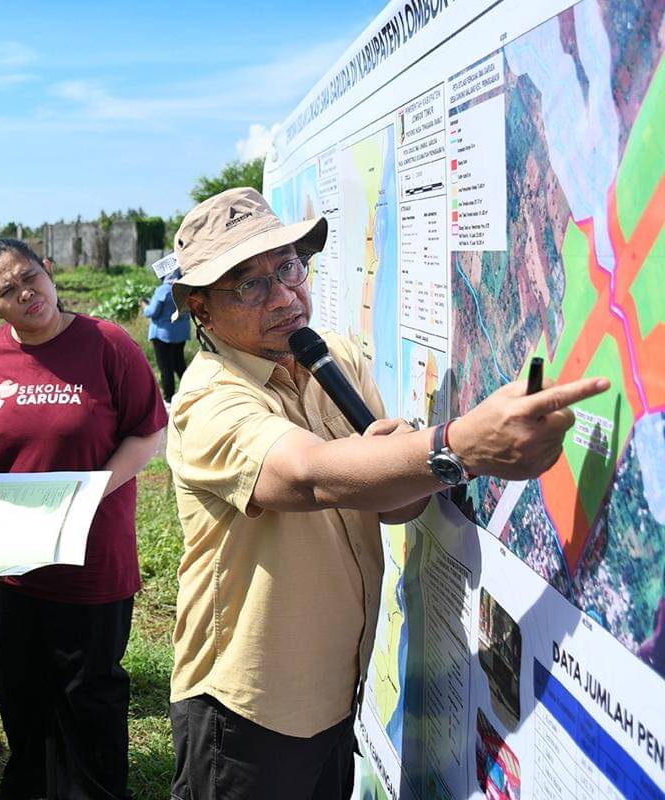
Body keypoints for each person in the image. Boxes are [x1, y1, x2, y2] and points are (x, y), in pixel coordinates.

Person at [165, 187, 609, 800]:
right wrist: (462, 445)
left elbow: (397, 503)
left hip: (336, 690)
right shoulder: (208, 399)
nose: (284, 296)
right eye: (248, 285)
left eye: (288, 266)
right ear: (202, 309)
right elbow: (308, 475)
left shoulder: (331, 357)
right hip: (249, 707)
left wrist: (407, 464)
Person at [0, 238, 167, 800]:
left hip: (91, 553)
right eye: (7, 290)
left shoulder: (108, 344)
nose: (25, 293)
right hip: (11, 560)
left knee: (89, 695)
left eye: (30, 277)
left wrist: (89, 493)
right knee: (19, 690)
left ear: (49, 272)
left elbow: (147, 431)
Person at [142, 267, 190, 404]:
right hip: (180, 333)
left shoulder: (163, 290)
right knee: (179, 365)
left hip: (162, 334)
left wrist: (144, 306)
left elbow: (152, 312)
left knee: (165, 368)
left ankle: (169, 398)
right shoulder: (185, 289)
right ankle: (190, 392)